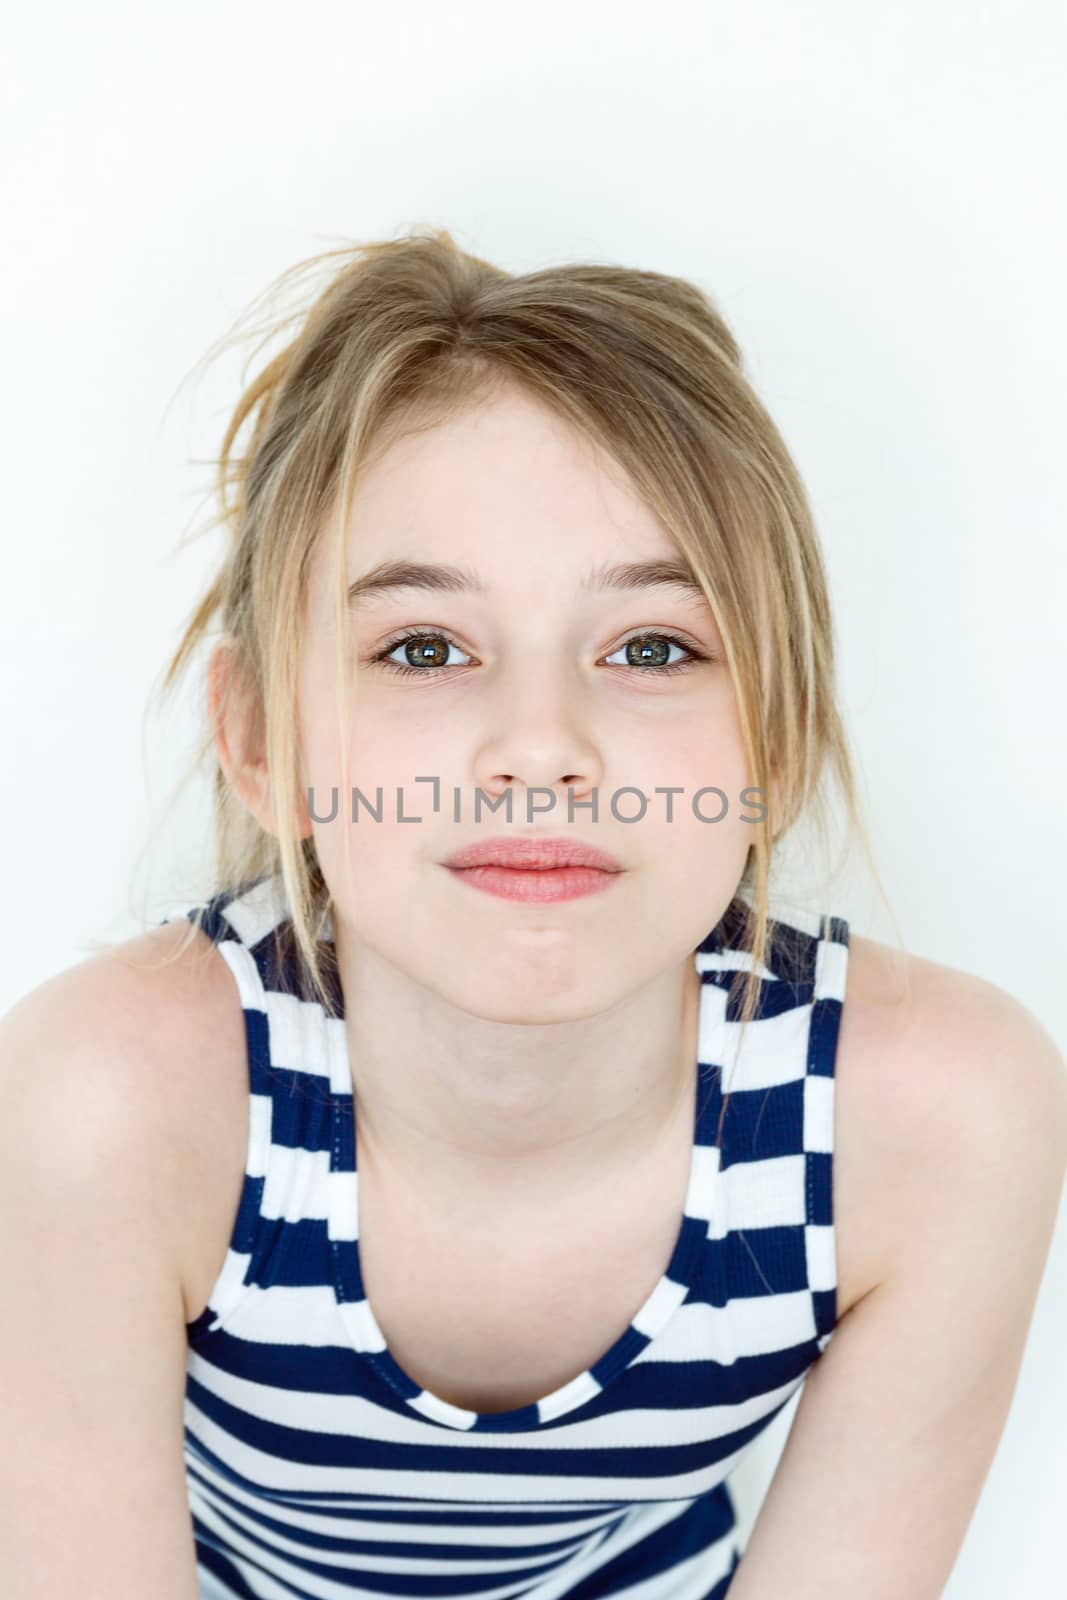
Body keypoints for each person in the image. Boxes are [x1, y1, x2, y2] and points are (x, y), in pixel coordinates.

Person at [2, 228, 1064, 1600]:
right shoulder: (112, 1102)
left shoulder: (935, 1117)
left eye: (653, 647)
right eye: (425, 649)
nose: (542, 748)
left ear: (779, 741)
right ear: (263, 742)